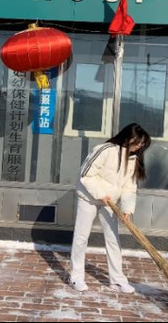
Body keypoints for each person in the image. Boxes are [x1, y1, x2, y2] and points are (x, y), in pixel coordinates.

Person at [69, 123, 151, 294]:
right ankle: (76, 277)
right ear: (128, 138)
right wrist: (100, 194)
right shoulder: (104, 150)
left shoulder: (133, 159)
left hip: (109, 203)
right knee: (81, 237)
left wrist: (127, 209)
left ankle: (117, 280)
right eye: (137, 142)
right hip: (89, 198)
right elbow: (86, 175)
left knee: (113, 239)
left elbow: (129, 188)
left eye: (142, 144)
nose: (139, 146)